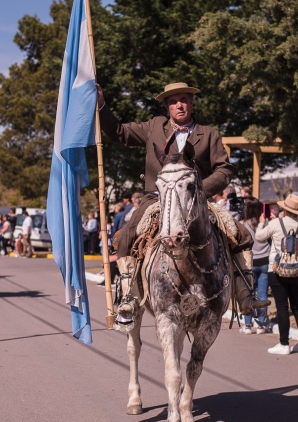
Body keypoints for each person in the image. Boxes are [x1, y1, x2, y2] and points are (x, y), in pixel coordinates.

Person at [96, 82, 264, 322]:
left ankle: (245, 293)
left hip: (197, 200)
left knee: (239, 233)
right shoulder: (154, 126)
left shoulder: (210, 134)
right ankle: (128, 295)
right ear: (167, 106)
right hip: (157, 199)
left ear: (191, 103)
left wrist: (199, 189)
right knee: (128, 234)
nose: (179, 105)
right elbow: (119, 132)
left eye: (184, 99)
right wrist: (101, 104)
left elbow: (224, 169)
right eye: (173, 101)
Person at [256, 194, 298, 355]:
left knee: (282, 307)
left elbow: (259, 237)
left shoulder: (275, 223)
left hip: (277, 269)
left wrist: (261, 223)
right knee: (297, 306)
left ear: (285, 209)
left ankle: (284, 344)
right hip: (297, 270)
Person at [240, 198, 271, 334]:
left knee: (248, 294)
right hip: (265, 261)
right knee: (263, 293)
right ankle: (262, 324)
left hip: (249, 263)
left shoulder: (243, 225)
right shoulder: (266, 223)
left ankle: (247, 325)